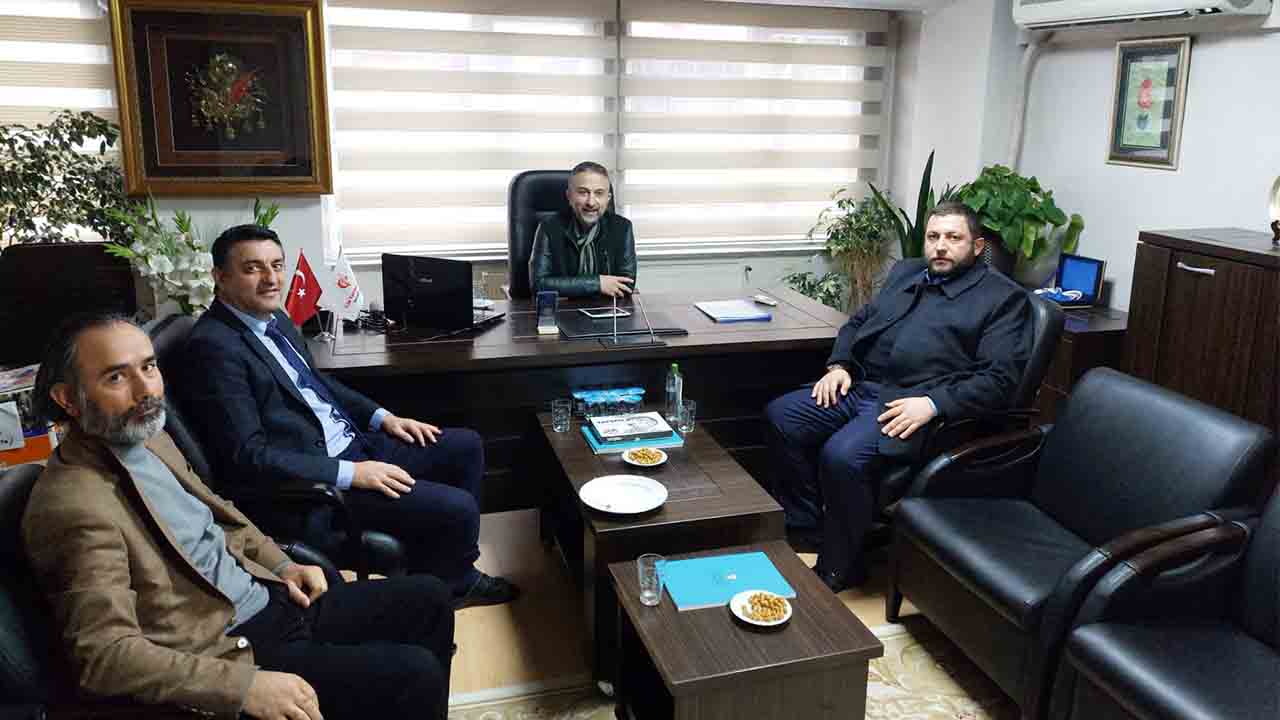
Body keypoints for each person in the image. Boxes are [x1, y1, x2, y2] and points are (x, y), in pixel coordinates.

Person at [23, 312, 456, 720]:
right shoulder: (73, 505)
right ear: (68, 399)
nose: (146, 390)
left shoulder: (146, 437)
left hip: (268, 597)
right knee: (413, 675)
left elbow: (219, 514)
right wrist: (243, 687)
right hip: (228, 647)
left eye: (149, 367)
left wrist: (280, 564)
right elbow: (104, 656)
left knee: (430, 599)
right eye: (116, 377)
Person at [177, 224, 518, 608]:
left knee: (466, 446)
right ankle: (457, 584)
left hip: (353, 442)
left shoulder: (272, 319)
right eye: (253, 268)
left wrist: (382, 417)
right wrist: (352, 473)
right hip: (315, 485)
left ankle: (443, 567)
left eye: (277, 265)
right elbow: (247, 456)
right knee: (458, 507)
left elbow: (315, 382)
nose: (271, 278)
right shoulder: (214, 349)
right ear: (220, 277)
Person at [765, 202, 1032, 592]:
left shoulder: (1003, 298)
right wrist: (840, 365)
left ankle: (841, 567)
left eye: (953, 238)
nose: (941, 246)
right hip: (860, 385)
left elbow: (999, 379)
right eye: (933, 236)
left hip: (912, 404)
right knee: (783, 417)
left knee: (842, 455)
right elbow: (858, 321)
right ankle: (806, 529)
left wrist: (933, 404)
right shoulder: (907, 272)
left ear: (977, 247)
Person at [528, 161, 637, 298]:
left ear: (608, 199)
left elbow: (627, 284)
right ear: (569, 196)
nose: (591, 202)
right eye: (583, 192)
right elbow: (539, 284)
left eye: (599, 193)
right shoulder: (548, 228)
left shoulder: (622, 228)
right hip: (563, 309)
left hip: (607, 308)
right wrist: (597, 283)